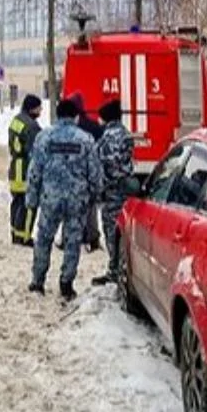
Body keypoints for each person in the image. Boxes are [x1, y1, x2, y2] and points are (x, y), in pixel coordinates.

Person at [27, 99, 104, 302]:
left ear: (58, 115)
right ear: (75, 116)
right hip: (76, 202)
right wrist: (96, 196)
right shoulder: (86, 140)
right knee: (72, 242)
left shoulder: (44, 138)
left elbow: (35, 171)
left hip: (50, 199)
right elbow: (94, 174)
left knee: (43, 239)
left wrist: (32, 199)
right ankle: (66, 284)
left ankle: (38, 281)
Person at [91, 99, 134, 286]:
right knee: (122, 231)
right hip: (125, 191)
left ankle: (114, 270)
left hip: (111, 194)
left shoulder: (107, 138)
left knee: (111, 232)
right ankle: (121, 269)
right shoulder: (126, 135)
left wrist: (100, 189)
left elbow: (106, 167)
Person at [68, 92, 103, 252]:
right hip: (89, 172)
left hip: (72, 173)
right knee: (90, 208)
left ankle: (74, 237)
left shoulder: (68, 128)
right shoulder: (93, 126)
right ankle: (93, 238)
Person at [8, 94, 43, 246]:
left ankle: (15, 233)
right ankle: (25, 236)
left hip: (15, 167)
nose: (40, 110)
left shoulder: (16, 120)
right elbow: (35, 151)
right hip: (26, 169)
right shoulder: (32, 126)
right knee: (29, 204)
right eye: (38, 107)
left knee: (16, 202)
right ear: (32, 108)